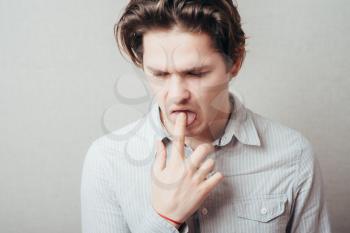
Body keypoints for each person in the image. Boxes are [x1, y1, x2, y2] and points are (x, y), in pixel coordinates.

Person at [80, 1, 332, 232]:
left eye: (196, 73)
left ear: (235, 61)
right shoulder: (107, 161)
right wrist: (165, 220)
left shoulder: (293, 155)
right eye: (159, 74)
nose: (177, 95)